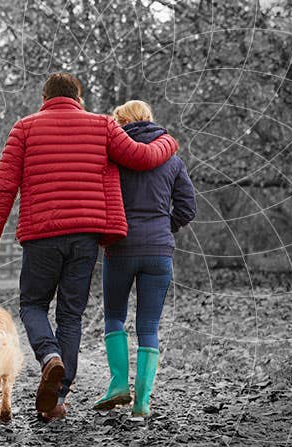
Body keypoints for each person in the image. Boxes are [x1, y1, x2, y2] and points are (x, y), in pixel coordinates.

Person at [0, 74, 179, 421]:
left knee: (32, 304)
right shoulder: (102, 126)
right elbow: (144, 157)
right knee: (70, 315)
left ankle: (48, 358)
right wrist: (169, 143)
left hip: (41, 235)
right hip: (86, 235)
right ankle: (57, 398)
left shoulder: (24, 129)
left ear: (44, 97)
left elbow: (4, 184)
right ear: (79, 98)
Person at [93, 100, 196, 418]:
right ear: (150, 119)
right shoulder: (173, 161)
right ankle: (142, 402)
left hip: (121, 248)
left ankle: (119, 384)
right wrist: (166, 227)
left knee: (114, 317)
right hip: (159, 251)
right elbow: (187, 208)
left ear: (120, 122)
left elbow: (100, 201)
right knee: (149, 325)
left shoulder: (113, 159)